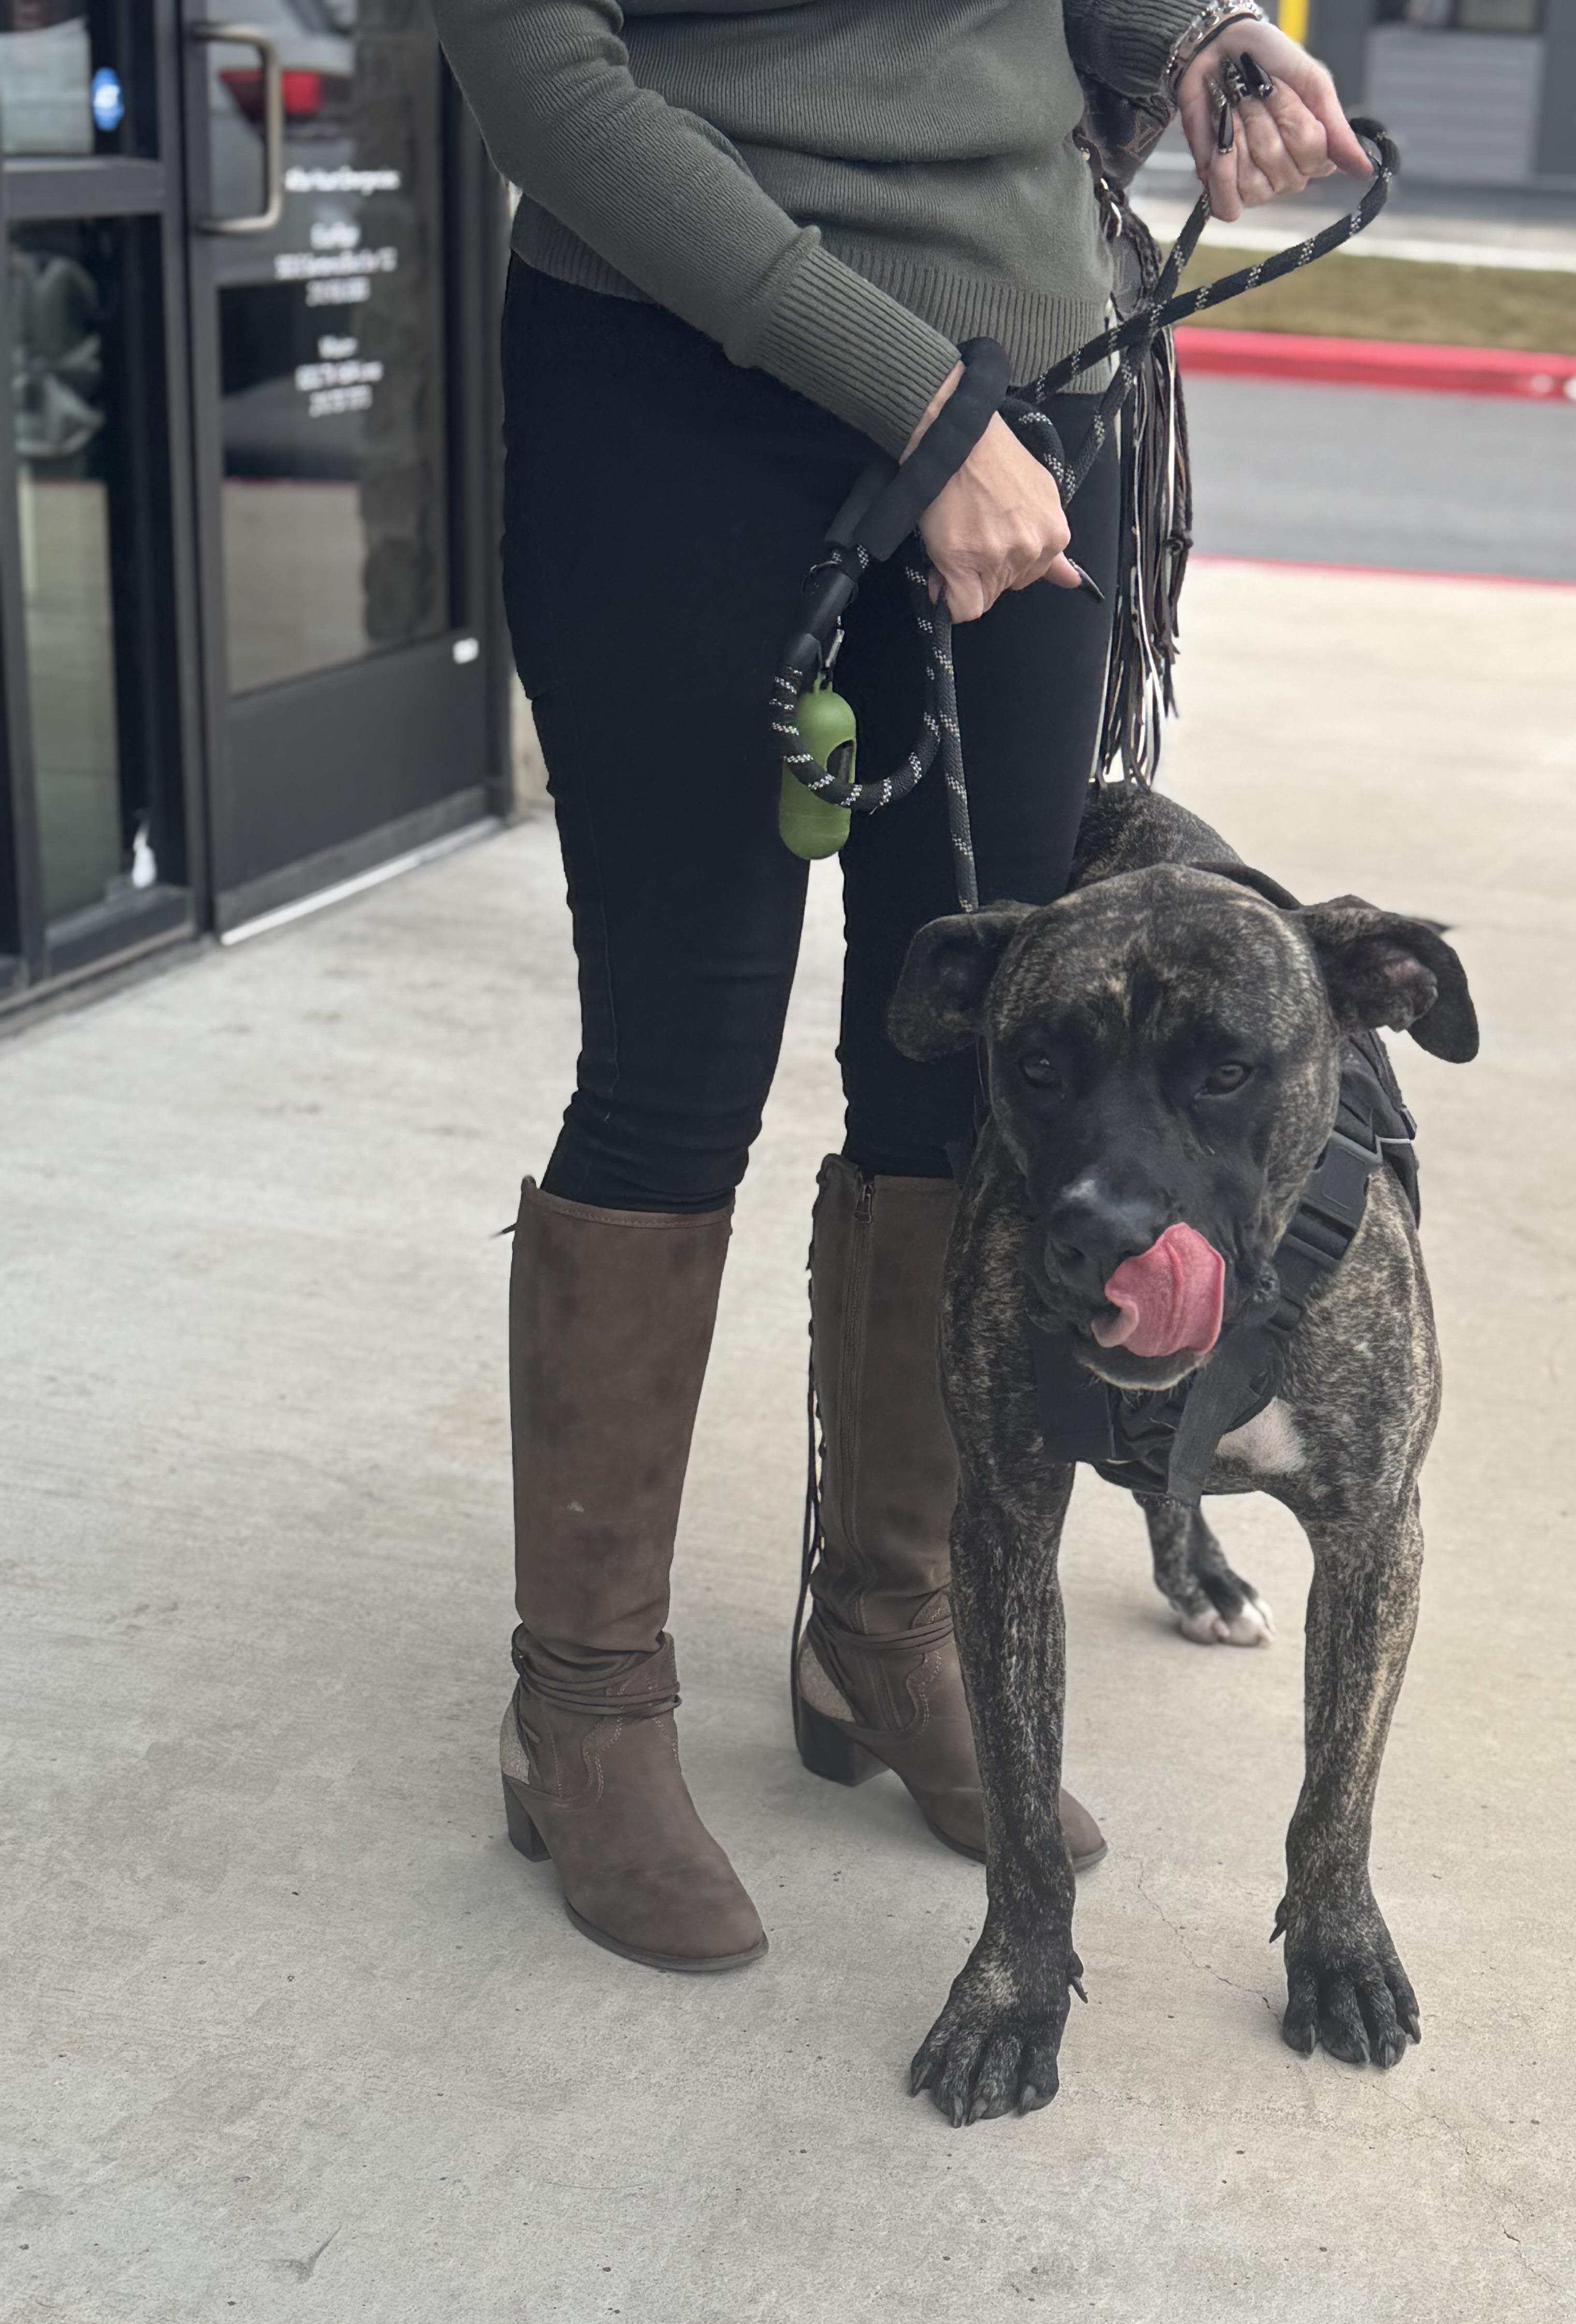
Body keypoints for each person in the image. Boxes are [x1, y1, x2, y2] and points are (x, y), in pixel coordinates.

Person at [428, 0, 1368, 1973]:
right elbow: (548, 86)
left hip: (1034, 380)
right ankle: (583, 1705)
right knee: (674, 1066)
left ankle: (886, 1624)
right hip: (679, 392)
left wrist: (1183, 36)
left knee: (963, 1070)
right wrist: (914, 406)